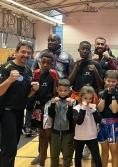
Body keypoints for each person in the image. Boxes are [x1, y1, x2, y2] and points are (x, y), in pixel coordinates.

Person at [0, 40, 39, 167]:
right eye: (23, 52)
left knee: (11, 144)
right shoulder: (7, 67)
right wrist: (9, 80)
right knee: (10, 147)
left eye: (28, 53)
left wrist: (33, 90)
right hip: (6, 110)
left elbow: (26, 94)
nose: (25, 55)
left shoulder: (28, 70)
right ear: (16, 52)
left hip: (19, 111)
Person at [31, 34, 74, 165]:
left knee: (57, 130)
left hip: (59, 94)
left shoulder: (67, 56)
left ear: (59, 42)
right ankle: (41, 155)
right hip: (42, 98)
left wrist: (66, 91)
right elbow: (34, 70)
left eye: (53, 40)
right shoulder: (41, 54)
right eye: (48, 40)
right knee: (43, 132)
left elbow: (71, 74)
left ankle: (62, 155)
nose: (50, 42)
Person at [31, 52, 59, 167]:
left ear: (52, 64)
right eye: (43, 62)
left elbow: (54, 93)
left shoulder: (53, 75)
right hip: (37, 107)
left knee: (50, 137)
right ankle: (42, 163)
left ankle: (53, 164)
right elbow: (33, 92)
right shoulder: (37, 74)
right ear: (40, 62)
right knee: (42, 137)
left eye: (48, 63)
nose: (45, 65)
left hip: (48, 106)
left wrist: (56, 79)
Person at [48, 79, 76, 167]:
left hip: (68, 132)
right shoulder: (53, 100)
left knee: (67, 156)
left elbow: (70, 117)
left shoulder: (73, 101)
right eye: (60, 90)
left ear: (69, 90)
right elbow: (51, 115)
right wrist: (52, 104)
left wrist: (70, 106)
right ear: (56, 89)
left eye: (65, 90)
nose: (62, 93)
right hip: (55, 131)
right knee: (54, 155)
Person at [97, 70, 118, 167]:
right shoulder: (100, 93)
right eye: (108, 81)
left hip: (114, 124)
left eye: (113, 81)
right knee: (104, 150)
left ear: (117, 82)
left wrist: (113, 96)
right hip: (102, 124)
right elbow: (100, 109)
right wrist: (104, 96)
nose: (111, 83)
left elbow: (115, 110)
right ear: (104, 80)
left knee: (114, 151)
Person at [73, 86, 102, 167]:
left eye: (90, 98)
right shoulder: (76, 108)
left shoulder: (94, 107)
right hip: (79, 137)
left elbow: (99, 120)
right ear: (81, 97)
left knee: (97, 157)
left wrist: (93, 110)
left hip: (92, 137)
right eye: (85, 98)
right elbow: (79, 121)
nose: (88, 101)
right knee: (78, 157)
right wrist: (83, 108)